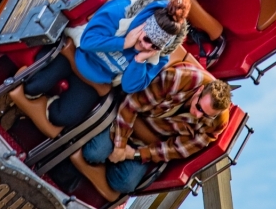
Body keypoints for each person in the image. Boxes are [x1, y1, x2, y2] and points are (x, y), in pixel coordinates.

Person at [9, 0, 191, 131]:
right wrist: (124, 43)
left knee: (62, 118)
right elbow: (88, 41)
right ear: (142, 25)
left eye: (155, 46)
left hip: (95, 80)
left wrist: (139, 60)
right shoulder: (122, 10)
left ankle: (37, 108)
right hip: (75, 54)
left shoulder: (158, 57)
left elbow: (130, 86)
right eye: (146, 39)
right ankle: (15, 100)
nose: (147, 46)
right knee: (32, 87)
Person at [73, 62, 233, 197]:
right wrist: (120, 144)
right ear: (199, 91)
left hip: (147, 143)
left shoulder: (217, 122)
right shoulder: (178, 78)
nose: (198, 115)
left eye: (205, 115)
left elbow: (177, 150)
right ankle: (85, 158)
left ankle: (101, 167)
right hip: (128, 119)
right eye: (198, 107)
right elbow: (132, 104)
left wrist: (133, 154)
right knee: (94, 152)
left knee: (125, 184)